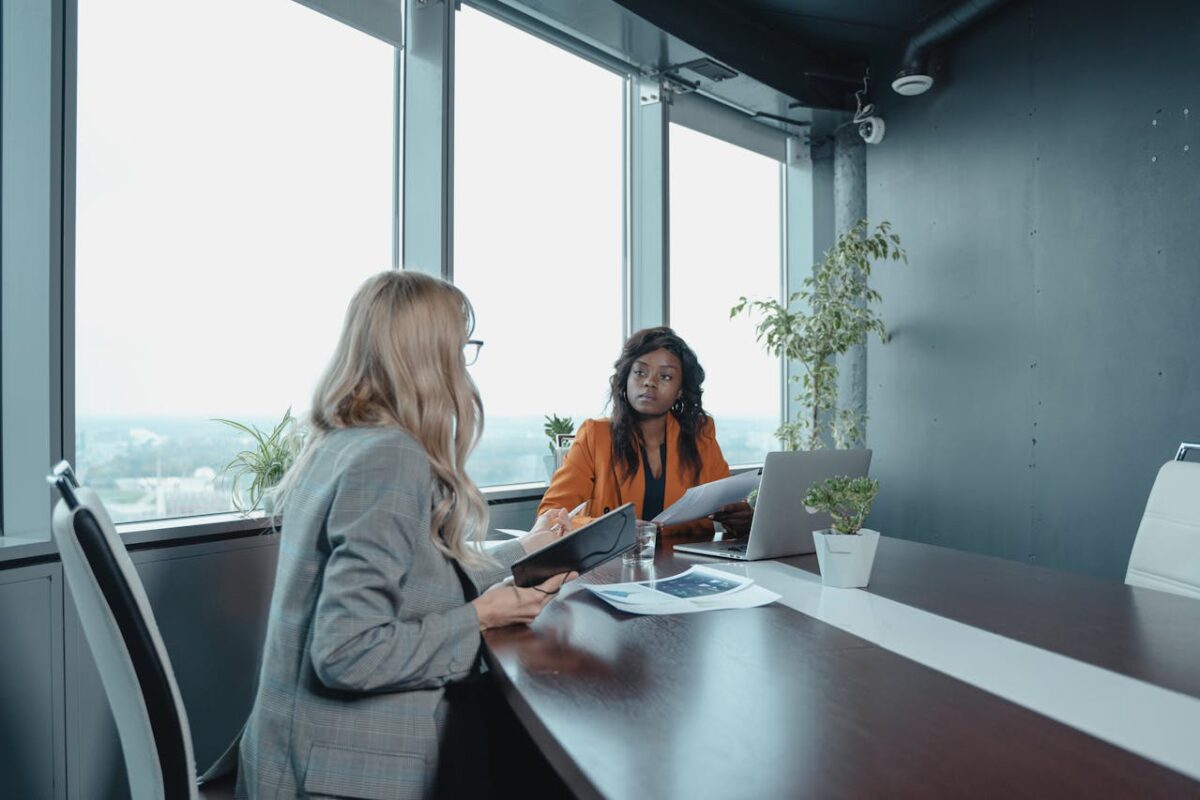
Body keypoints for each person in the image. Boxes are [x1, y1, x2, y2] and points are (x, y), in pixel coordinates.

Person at [236, 271, 573, 800]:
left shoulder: (344, 443)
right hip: (342, 774)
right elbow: (347, 652)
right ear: (429, 357)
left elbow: (417, 578)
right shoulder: (390, 459)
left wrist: (525, 551)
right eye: (461, 349)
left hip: (298, 754)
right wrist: (485, 614)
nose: (465, 366)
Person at [538, 326, 753, 537]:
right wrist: (613, 527)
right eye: (640, 372)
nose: (649, 382)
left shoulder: (700, 436)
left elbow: (732, 510)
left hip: (689, 564)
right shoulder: (595, 435)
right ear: (626, 380)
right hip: (614, 566)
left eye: (666, 377)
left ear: (680, 390)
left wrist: (742, 519)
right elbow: (550, 517)